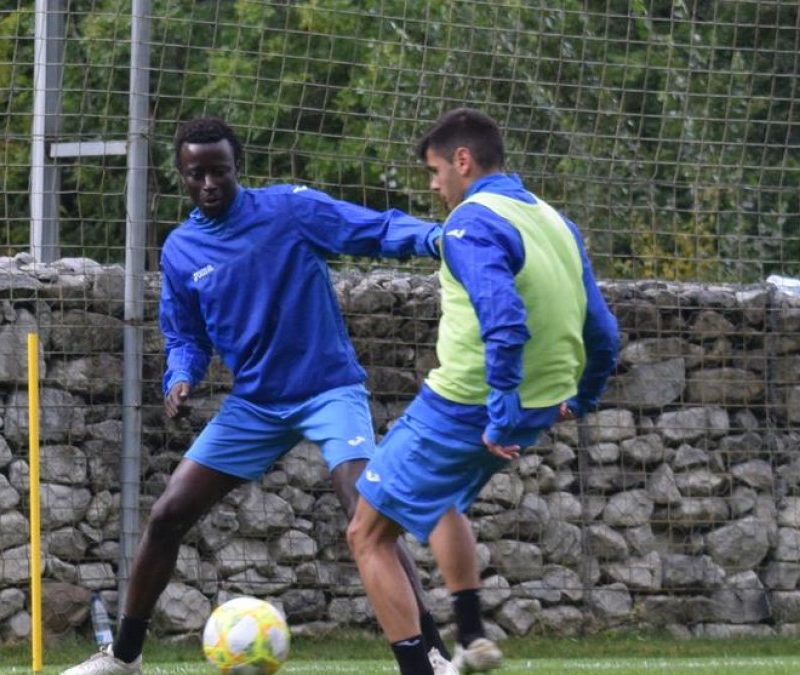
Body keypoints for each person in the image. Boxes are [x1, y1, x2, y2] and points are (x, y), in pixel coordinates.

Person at [63, 117, 453, 675]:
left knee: (368, 513)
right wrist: (180, 376)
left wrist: (434, 238)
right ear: (182, 175)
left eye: (218, 171)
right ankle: (123, 658)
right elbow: (186, 337)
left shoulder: (289, 211)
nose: (208, 184)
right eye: (196, 175)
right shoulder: (180, 250)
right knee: (168, 512)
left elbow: (369, 228)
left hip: (328, 390)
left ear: (235, 166)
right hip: (254, 405)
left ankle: (429, 656)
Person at [347, 108, 620, 675]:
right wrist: (584, 396)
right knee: (439, 499)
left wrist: (498, 411)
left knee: (367, 531)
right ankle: (470, 638)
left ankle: (421, 670)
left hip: (467, 407)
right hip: (539, 406)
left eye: (434, 170)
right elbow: (603, 330)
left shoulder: (470, 223)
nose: (434, 184)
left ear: (463, 161)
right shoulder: (551, 220)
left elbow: (503, 318)